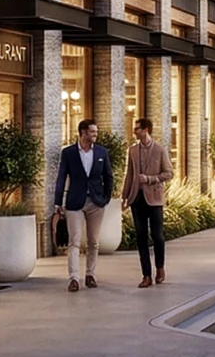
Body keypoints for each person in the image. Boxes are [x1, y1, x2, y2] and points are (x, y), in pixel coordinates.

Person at [51, 119, 113, 292]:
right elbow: (61, 177)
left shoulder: (102, 152)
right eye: (92, 132)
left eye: (96, 132)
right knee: (74, 241)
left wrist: (106, 197)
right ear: (83, 133)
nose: (95, 134)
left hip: (96, 202)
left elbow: (108, 176)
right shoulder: (69, 153)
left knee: (93, 241)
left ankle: (90, 275)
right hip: (75, 202)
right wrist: (58, 202)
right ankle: (73, 279)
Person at [121, 118, 174, 288]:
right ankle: (146, 275)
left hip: (155, 199)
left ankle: (160, 267)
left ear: (145, 130)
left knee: (158, 236)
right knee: (141, 237)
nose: (134, 131)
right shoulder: (133, 150)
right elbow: (129, 174)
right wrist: (124, 195)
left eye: (137, 129)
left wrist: (151, 179)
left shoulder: (159, 149)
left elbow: (169, 173)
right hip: (137, 198)